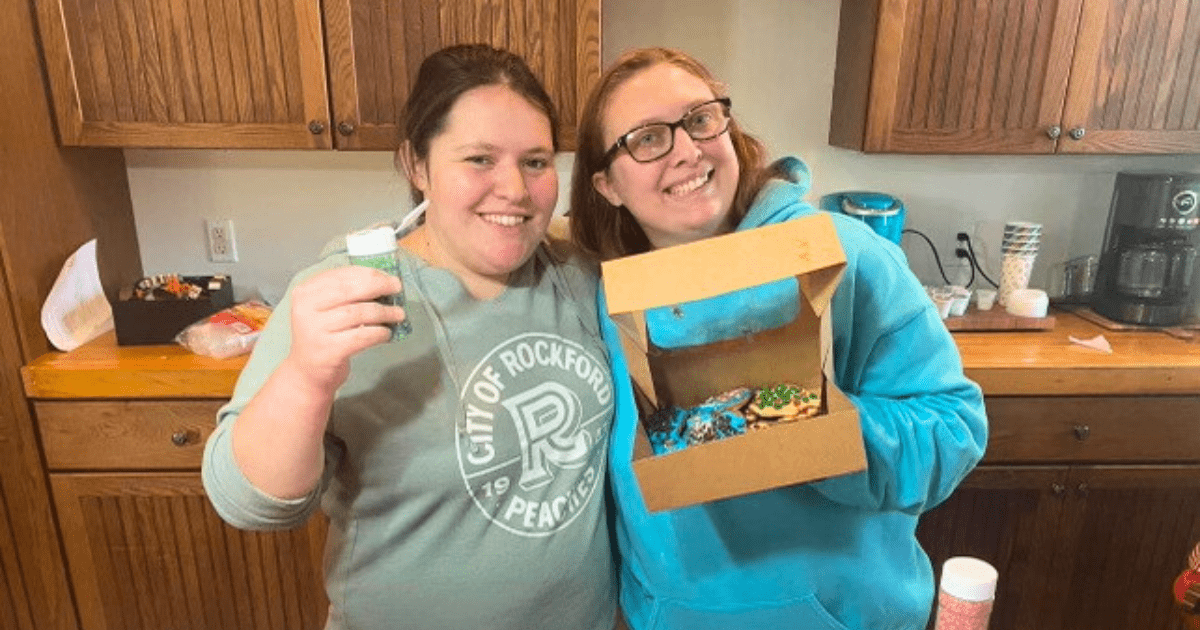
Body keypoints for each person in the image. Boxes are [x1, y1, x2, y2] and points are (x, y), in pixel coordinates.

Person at [569, 47, 988, 630]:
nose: (687, 150)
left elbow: (955, 429)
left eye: (699, 119)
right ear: (607, 185)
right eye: (645, 139)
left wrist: (799, 423)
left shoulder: (843, 254)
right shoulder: (597, 293)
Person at [203, 44, 618, 630]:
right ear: (416, 165)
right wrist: (306, 376)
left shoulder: (577, 276)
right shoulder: (351, 293)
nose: (515, 190)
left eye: (536, 161)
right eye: (478, 159)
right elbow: (247, 501)